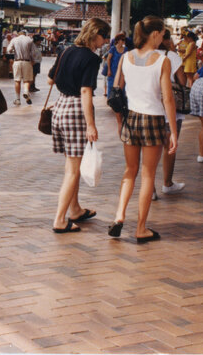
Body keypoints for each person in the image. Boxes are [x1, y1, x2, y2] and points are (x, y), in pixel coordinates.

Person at [109, 16, 178, 243]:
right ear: (155, 34)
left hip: (131, 118)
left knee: (130, 171)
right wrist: (173, 131)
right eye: (162, 34)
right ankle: (140, 228)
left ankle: (119, 216)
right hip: (153, 119)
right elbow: (168, 98)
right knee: (148, 175)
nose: (163, 39)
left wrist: (120, 121)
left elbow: (115, 94)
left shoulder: (125, 57)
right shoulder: (162, 61)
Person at [47, 17, 110, 234]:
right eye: (104, 36)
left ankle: (75, 209)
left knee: (71, 164)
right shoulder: (91, 59)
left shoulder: (66, 50)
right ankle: (59, 219)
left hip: (60, 107)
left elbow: (50, 79)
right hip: (75, 110)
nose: (105, 41)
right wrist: (91, 125)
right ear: (95, 34)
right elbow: (85, 91)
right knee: (73, 171)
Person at [157, 30, 188, 196]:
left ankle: (150, 189)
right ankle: (167, 183)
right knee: (169, 146)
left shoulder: (143, 55)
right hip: (171, 109)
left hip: (150, 108)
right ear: (167, 40)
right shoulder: (171, 56)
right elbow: (182, 80)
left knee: (151, 149)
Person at [103, 32, 127, 135]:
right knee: (111, 88)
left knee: (122, 89)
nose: (123, 42)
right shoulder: (113, 49)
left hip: (122, 72)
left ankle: (120, 103)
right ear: (118, 40)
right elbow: (108, 59)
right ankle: (112, 103)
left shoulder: (126, 50)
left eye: (124, 40)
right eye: (122, 40)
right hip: (113, 71)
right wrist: (108, 70)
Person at [9, 31, 40, 105]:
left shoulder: (14, 40)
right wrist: (33, 61)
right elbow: (34, 52)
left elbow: (9, 50)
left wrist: (14, 52)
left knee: (17, 81)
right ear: (25, 34)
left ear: (18, 34)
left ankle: (17, 99)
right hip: (27, 62)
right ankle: (26, 92)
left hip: (17, 61)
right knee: (27, 80)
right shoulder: (29, 40)